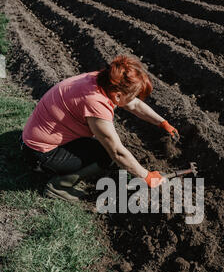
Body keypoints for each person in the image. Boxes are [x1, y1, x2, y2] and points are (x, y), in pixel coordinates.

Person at [21, 55, 180, 202]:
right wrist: (147, 176)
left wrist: (162, 122)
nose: (135, 100)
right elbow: (117, 152)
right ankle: (59, 186)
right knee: (107, 154)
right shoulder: (96, 103)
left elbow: (134, 104)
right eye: (133, 95)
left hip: (34, 140)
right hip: (40, 154)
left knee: (103, 143)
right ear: (118, 95)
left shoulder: (100, 80)